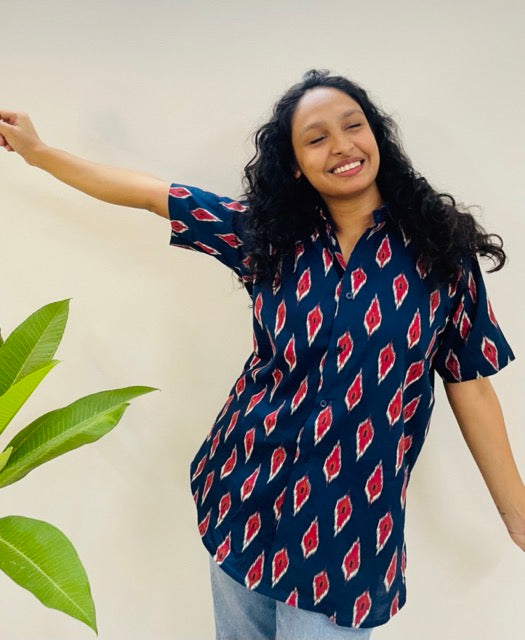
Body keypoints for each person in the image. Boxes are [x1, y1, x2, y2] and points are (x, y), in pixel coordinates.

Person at [1, 69, 523, 640]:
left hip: (346, 529)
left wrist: (515, 513)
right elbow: (153, 195)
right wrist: (40, 153)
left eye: (354, 125)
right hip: (246, 491)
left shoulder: (439, 250)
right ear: (296, 163)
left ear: (378, 137)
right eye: (317, 137)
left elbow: (469, 381)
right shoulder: (270, 239)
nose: (342, 145)